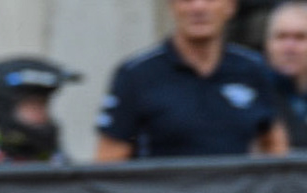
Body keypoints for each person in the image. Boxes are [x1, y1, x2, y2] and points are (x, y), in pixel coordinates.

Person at [95, 0, 288, 159]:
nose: (198, 7)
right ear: (172, 7)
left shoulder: (252, 69)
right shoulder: (136, 75)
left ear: (230, 6)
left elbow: (275, 146)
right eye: (187, 0)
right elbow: (109, 165)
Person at [0, 57, 79, 164]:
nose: (41, 115)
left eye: (43, 105)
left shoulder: (54, 157)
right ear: (4, 109)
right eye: (32, 106)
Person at [266, 0, 307, 147]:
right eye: (281, 37)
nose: (289, 48)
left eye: (300, 37)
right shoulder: (254, 95)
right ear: (268, 44)